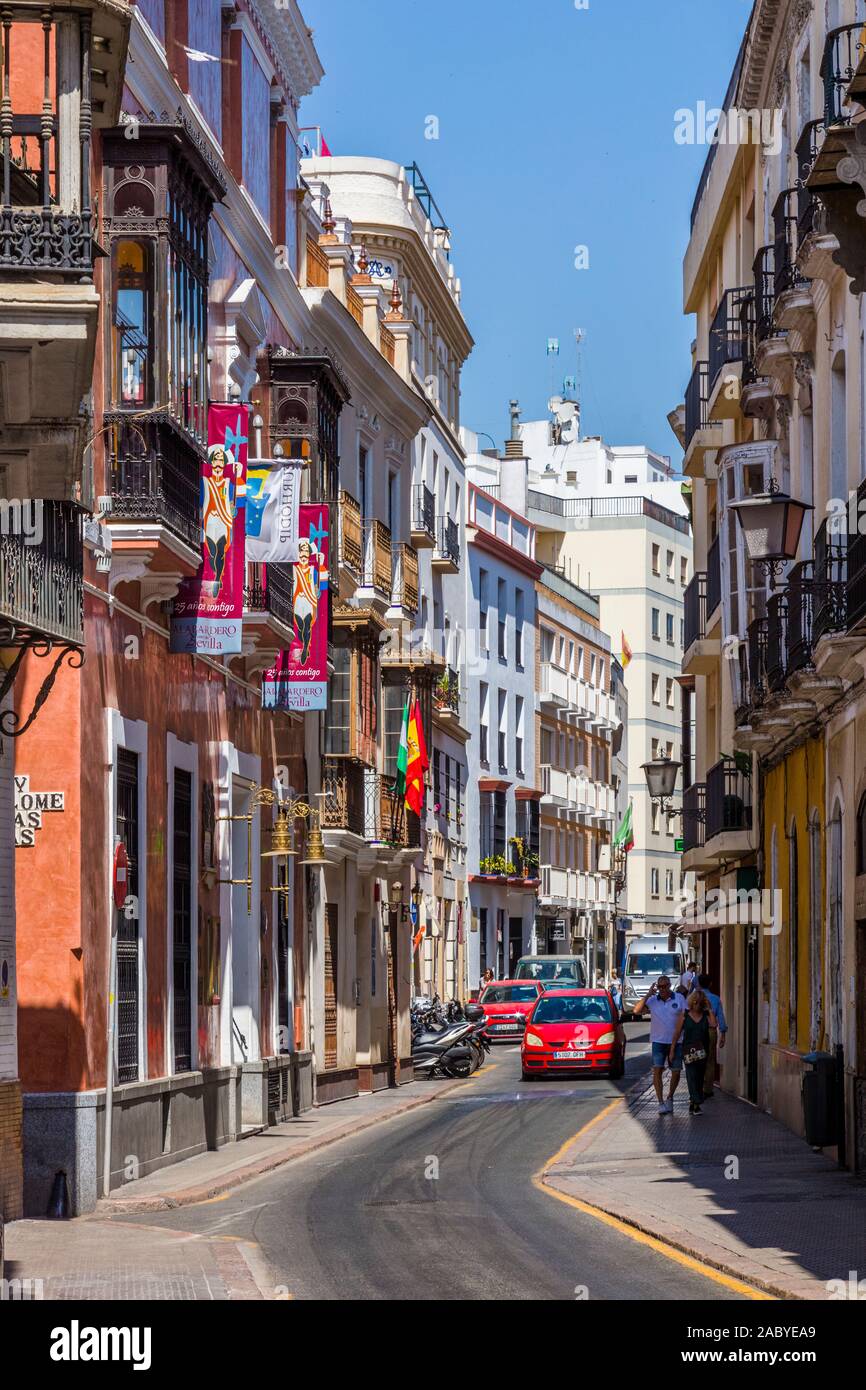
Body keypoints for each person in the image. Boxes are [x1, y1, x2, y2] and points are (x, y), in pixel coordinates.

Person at [633, 975, 687, 1113]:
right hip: (658, 1041)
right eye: (660, 986)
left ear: (669, 985)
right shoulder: (652, 1000)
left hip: (676, 1041)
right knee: (657, 1070)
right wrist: (648, 994)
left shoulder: (679, 998)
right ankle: (660, 1102)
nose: (662, 989)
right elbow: (636, 1010)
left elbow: (684, 1017)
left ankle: (670, 1098)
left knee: (676, 1071)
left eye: (665, 986)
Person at [670, 988, 718, 1114]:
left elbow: (713, 1025)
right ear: (692, 1002)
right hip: (689, 1051)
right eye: (696, 1002)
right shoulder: (685, 1015)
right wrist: (672, 1049)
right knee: (691, 1077)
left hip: (703, 1050)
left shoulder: (706, 1015)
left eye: (700, 1002)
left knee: (700, 1077)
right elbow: (676, 1033)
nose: (697, 1005)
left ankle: (693, 1102)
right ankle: (696, 1104)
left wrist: (709, 1009)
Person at [697, 973, 727, 1100]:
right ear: (710, 984)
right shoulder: (715, 999)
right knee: (709, 1060)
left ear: (698, 983)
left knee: (697, 1060)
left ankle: (697, 1087)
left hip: (697, 1032)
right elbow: (720, 1017)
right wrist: (723, 1034)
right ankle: (708, 1089)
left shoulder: (694, 998)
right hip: (710, 1031)